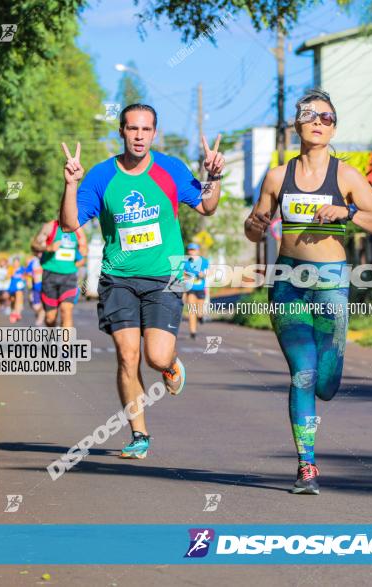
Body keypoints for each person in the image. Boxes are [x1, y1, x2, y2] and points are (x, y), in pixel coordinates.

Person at [244, 89, 372, 495]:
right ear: (297, 124)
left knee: (325, 382)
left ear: (334, 126)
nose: (318, 122)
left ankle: (321, 396)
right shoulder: (277, 176)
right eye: (310, 115)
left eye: (326, 117)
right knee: (303, 374)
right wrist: (255, 224)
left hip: (330, 282)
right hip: (289, 281)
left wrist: (347, 211)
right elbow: (254, 225)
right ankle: (306, 466)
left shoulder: (345, 175)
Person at [58, 103, 225, 459]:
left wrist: (214, 177)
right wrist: (70, 185)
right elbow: (71, 223)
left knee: (156, 355)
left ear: (154, 133)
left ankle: (170, 365)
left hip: (167, 275)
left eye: (146, 129)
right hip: (118, 279)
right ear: (121, 131)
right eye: (132, 128)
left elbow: (207, 207)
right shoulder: (102, 176)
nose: (139, 136)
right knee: (127, 356)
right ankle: (139, 434)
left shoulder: (170, 169)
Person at [30, 220, 86, 328]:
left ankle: (66, 345)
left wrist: (84, 251)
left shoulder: (78, 230)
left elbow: (84, 251)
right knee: (50, 318)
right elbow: (34, 245)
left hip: (69, 276)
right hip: (50, 276)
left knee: (66, 311)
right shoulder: (50, 227)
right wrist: (49, 248)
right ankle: (52, 339)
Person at [182, 243, 210, 339]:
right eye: (190, 250)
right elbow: (182, 274)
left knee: (199, 311)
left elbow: (207, 272)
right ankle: (192, 332)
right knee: (192, 310)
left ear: (198, 251)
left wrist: (203, 274)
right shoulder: (186, 262)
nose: (191, 252)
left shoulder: (204, 261)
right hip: (191, 289)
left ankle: (200, 316)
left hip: (201, 289)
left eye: (193, 250)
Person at [24, 248, 45, 326]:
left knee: (44, 306)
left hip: (46, 288)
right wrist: (31, 274)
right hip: (35, 288)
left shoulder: (48, 261)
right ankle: (41, 316)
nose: (40, 253)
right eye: (38, 251)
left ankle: (41, 320)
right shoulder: (34, 261)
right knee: (36, 307)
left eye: (41, 251)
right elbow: (27, 272)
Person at [7, 256, 27, 323]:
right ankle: (13, 311)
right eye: (14, 262)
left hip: (19, 286)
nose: (16, 263)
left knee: (18, 298)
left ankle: (16, 313)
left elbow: (25, 276)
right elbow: (9, 276)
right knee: (13, 300)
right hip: (12, 286)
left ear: (19, 262)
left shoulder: (22, 269)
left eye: (17, 262)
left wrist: (24, 278)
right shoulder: (11, 268)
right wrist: (13, 271)